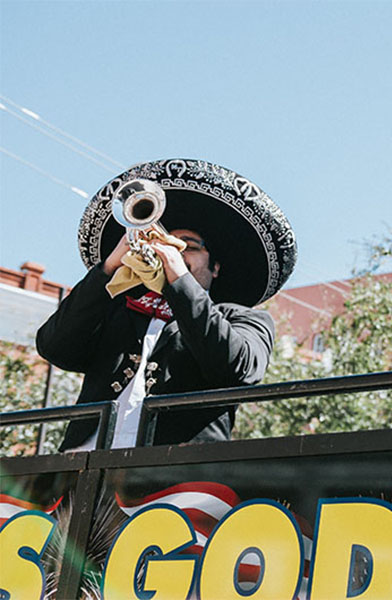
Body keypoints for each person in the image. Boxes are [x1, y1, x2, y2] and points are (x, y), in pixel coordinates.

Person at [37, 158, 297, 450]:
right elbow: (54, 346)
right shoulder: (118, 310)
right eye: (164, 241)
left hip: (178, 480)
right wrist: (109, 267)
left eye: (188, 245)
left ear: (216, 267)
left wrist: (178, 277)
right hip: (83, 468)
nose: (170, 248)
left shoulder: (244, 319)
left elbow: (237, 369)